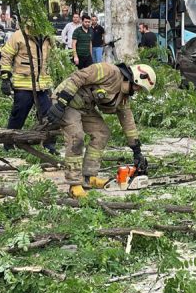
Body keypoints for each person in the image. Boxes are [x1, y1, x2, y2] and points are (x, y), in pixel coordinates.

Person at [46, 62, 156, 198]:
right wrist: (61, 103)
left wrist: (136, 150)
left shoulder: (122, 96)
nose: (137, 91)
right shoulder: (108, 71)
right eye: (138, 87)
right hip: (66, 102)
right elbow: (79, 77)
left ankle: (89, 176)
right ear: (135, 79)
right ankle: (74, 184)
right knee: (77, 137)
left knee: (102, 133)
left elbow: (127, 120)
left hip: (84, 107)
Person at [0, 24, 57, 155]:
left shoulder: (48, 37)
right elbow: (6, 55)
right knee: (19, 114)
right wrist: (5, 78)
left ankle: (49, 145)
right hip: (24, 84)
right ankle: (9, 143)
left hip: (43, 85)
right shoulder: (18, 36)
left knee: (49, 115)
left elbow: (53, 58)